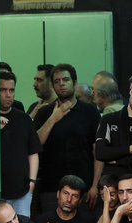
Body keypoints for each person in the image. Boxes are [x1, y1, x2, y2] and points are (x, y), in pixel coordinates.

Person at [34, 63, 102, 212]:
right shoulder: (44, 113)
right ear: (52, 85)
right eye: (57, 81)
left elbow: (98, 151)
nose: (61, 84)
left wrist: (95, 185)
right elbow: (35, 144)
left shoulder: (90, 112)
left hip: (84, 185)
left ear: (74, 83)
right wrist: (53, 118)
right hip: (51, 187)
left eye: (65, 80)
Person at [0, 71, 42, 218]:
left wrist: (32, 183)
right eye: (3, 90)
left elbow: (33, 153)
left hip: (22, 190)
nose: (8, 94)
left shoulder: (23, 119)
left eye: (11, 90)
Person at [95, 72, 132, 183]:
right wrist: (129, 149)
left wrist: (116, 160)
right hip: (112, 182)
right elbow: (100, 152)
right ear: (131, 91)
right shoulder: (109, 119)